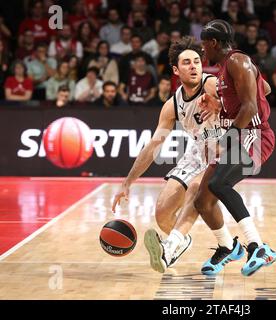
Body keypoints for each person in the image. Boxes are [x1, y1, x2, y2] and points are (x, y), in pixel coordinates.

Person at [112, 37, 222, 273]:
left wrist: (220, 105)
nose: (193, 66)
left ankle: (170, 247)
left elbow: (244, 100)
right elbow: (153, 147)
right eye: (187, 63)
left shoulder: (212, 84)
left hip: (226, 148)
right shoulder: (172, 105)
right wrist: (127, 182)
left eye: (197, 61)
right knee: (162, 212)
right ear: (175, 70)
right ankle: (182, 241)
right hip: (198, 151)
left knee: (195, 187)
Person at [191, 19, 276, 276]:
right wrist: (223, 103)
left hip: (254, 134)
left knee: (219, 185)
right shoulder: (227, 68)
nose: (202, 51)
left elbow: (251, 107)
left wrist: (227, 136)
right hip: (239, 133)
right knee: (203, 200)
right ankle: (228, 246)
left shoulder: (237, 61)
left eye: (204, 45)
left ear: (214, 42)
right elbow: (266, 87)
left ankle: (258, 247)